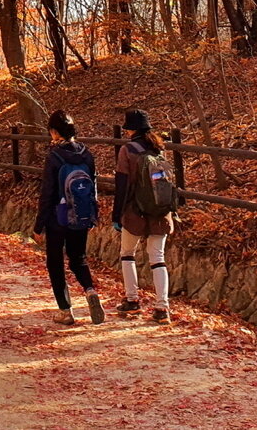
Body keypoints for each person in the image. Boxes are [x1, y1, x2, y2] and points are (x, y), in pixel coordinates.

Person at [33, 109, 105, 326]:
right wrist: (93, 213)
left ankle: (66, 310)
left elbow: (47, 194)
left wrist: (39, 225)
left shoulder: (54, 157)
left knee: (55, 262)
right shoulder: (86, 154)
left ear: (54, 132)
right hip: (81, 215)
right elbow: (93, 187)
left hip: (58, 217)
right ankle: (90, 290)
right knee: (78, 258)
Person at [113, 109, 177, 323]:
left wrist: (116, 214)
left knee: (127, 253)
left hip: (135, 212)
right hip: (160, 211)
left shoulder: (127, 150)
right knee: (157, 258)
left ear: (131, 130)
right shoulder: (158, 149)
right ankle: (162, 308)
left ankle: (132, 300)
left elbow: (122, 185)